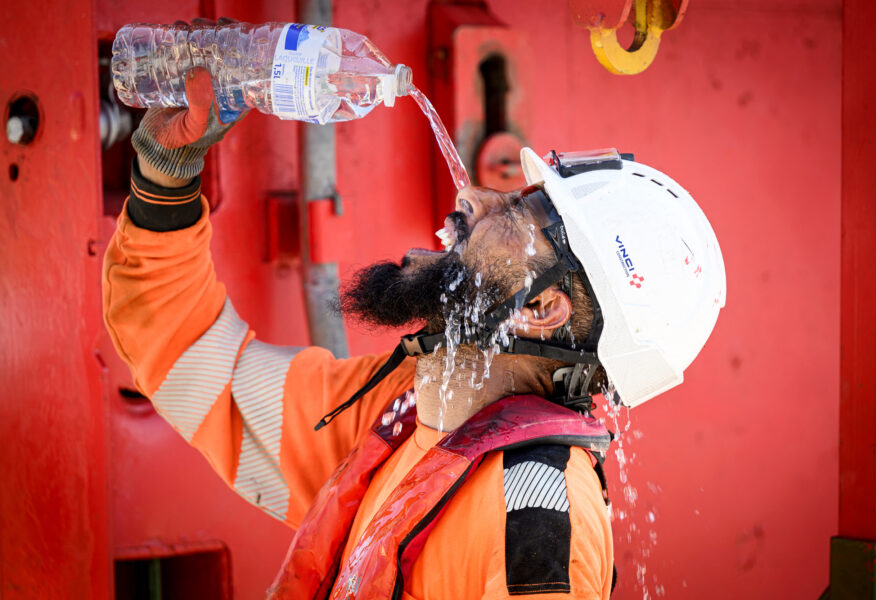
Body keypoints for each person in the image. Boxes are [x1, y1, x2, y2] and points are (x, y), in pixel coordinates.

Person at [103, 68, 725, 600]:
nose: (473, 196)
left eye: (518, 213)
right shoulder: (404, 410)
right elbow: (198, 364)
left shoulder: (535, 522)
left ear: (541, 307)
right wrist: (166, 179)